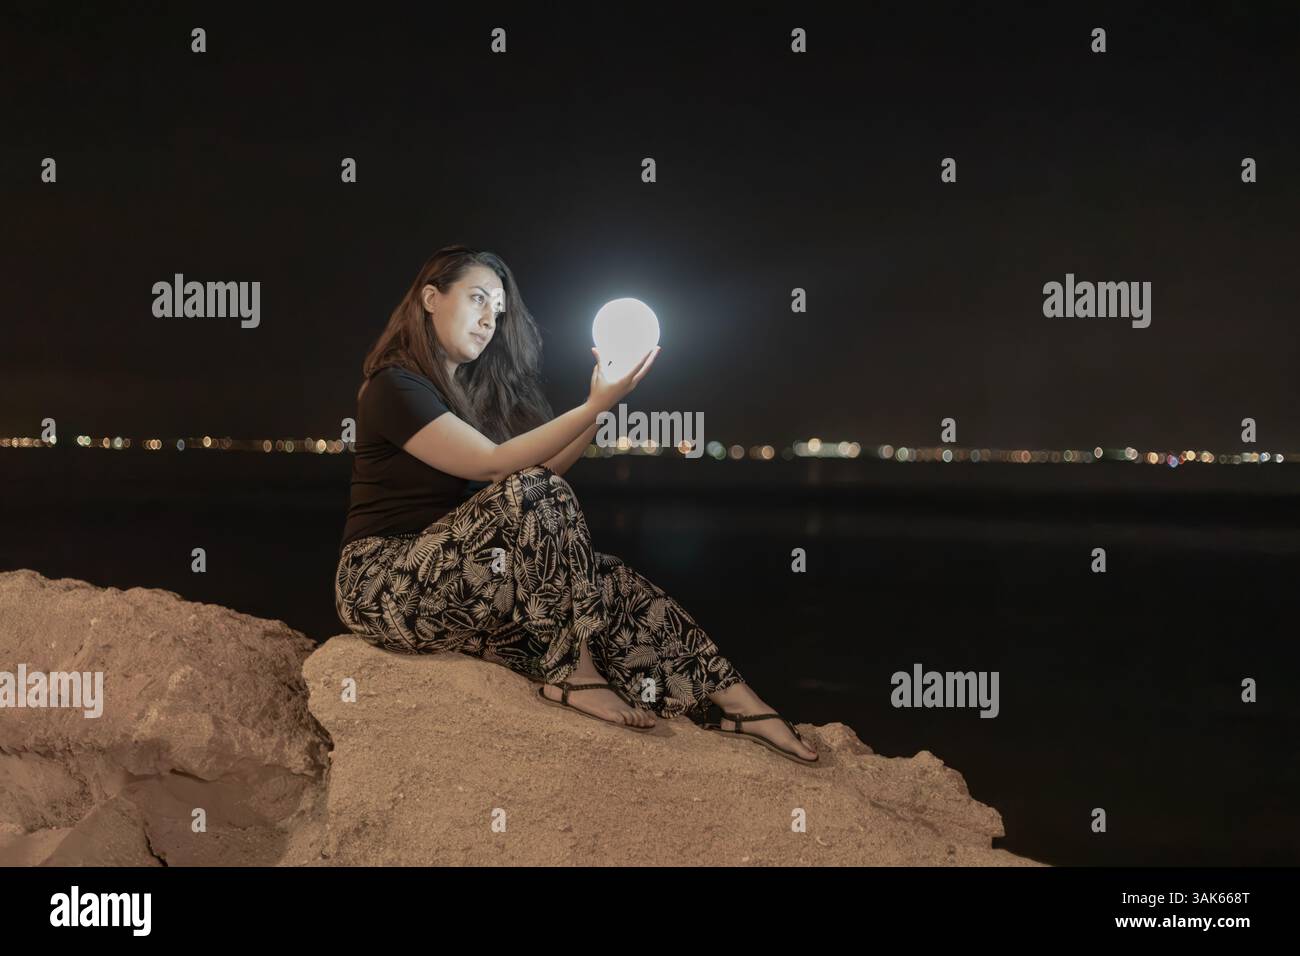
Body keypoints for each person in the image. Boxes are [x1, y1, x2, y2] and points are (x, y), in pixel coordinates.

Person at [334, 244, 818, 765]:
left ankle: (738, 704)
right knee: (540, 496)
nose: (488, 319)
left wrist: (600, 410)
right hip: (386, 584)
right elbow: (495, 467)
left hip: (466, 582)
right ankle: (572, 674)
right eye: (476, 299)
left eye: (497, 310)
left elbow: (539, 475)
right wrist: (592, 405)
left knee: (607, 582)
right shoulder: (393, 386)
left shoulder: (471, 394)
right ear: (431, 298)